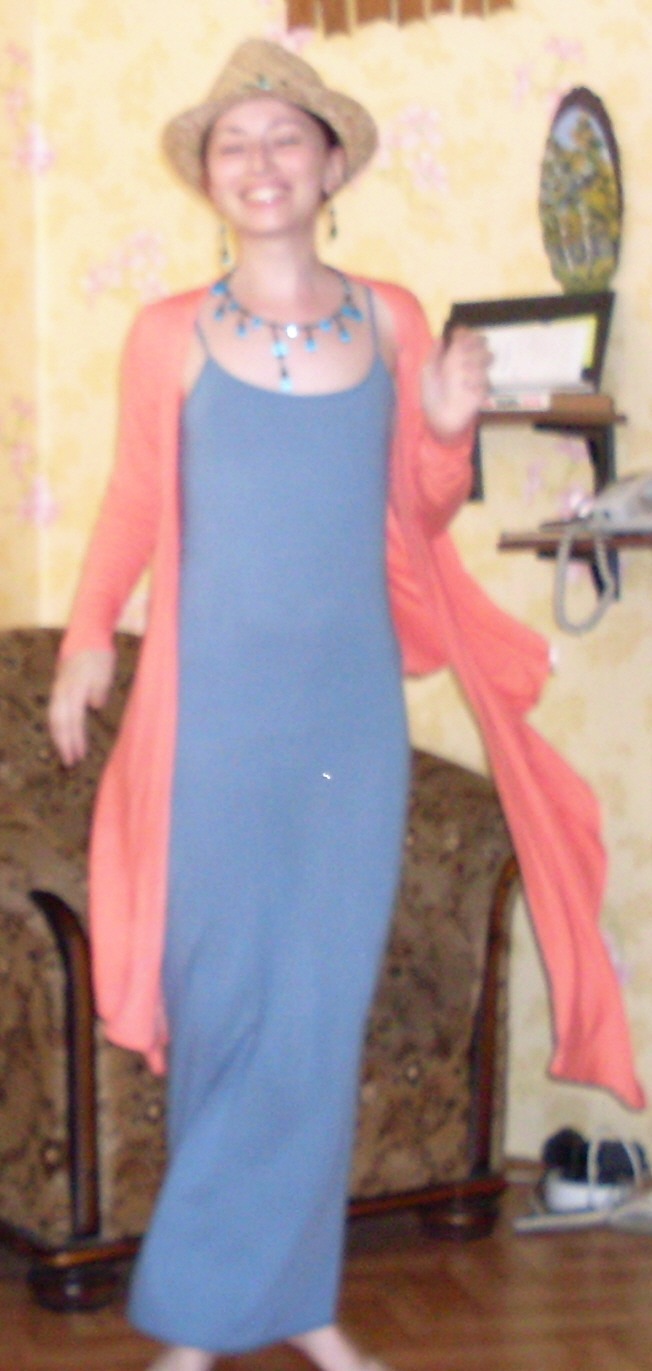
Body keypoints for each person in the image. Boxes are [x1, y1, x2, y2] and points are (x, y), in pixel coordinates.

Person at [48, 34, 643, 1371]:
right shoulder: (166, 336)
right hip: (209, 731)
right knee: (221, 1006)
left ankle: (300, 1306)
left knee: (316, 1015)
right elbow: (135, 499)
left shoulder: (389, 320)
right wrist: (88, 636)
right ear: (210, 175)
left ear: (329, 169)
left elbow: (419, 509)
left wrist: (444, 422)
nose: (260, 162)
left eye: (285, 140)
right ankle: (205, 1321)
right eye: (234, 143)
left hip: (344, 732)